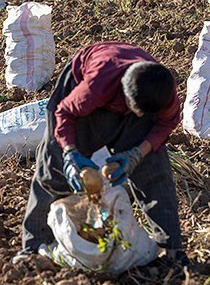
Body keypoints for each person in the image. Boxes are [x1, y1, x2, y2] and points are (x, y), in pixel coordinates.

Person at [16, 42, 186, 265]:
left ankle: (172, 250)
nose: (138, 116)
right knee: (54, 170)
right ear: (125, 96)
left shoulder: (163, 91)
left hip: (139, 97)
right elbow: (64, 112)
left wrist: (136, 155)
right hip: (83, 101)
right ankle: (34, 247)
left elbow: (167, 123)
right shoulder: (97, 85)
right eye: (135, 110)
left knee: (154, 168)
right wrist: (69, 153)